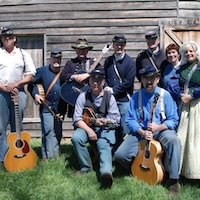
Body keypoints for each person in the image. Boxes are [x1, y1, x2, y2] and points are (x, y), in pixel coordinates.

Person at [114, 65, 181, 197]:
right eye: (145, 78)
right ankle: (138, 169)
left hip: (160, 130)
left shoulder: (165, 95)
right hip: (142, 132)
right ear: (142, 80)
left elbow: (173, 119)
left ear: (157, 79)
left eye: (151, 78)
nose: (148, 81)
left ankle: (173, 181)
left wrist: (158, 127)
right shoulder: (135, 97)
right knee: (120, 155)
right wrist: (142, 132)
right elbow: (130, 119)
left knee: (173, 141)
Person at [71, 69, 120, 189]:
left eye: (98, 80)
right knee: (76, 138)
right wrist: (89, 130)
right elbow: (77, 119)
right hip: (87, 127)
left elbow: (116, 120)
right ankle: (86, 167)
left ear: (103, 82)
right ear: (89, 81)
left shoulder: (109, 97)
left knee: (103, 145)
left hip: (104, 128)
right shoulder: (83, 96)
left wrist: (105, 121)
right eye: (93, 80)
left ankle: (106, 174)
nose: (95, 83)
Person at [0, 27, 36, 165]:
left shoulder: (23, 54)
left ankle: (17, 155)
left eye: (10, 36)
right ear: (1, 39)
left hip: (18, 92)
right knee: (1, 126)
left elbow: (31, 74)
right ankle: (3, 158)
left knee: (17, 126)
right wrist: (4, 87)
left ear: (14, 38)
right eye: (4, 37)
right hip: (1, 93)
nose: (7, 39)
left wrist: (16, 83)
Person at [28, 48, 65, 161]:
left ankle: (55, 154)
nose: (56, 60)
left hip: (60, 107)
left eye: (58, 58)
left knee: (58, 132)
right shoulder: (42, 71)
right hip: (47, 106)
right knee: (48, 131)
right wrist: (35, 95)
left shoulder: (64, 73)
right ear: (50, 58)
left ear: (61, 59)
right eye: (54, 58)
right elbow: (31, 84)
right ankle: (46, 156)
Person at [172, 41, 200, 180]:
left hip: (197, 104)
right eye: (186, 52)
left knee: (196, 137)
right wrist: (181, 96)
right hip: (184, 105)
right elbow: (174, 85)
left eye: (191, 51)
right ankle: (183, 171)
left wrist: (193, 95)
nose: (189, 54)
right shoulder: (181, 68)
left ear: (196, 52)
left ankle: (196, 172)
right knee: (183, 136)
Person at [104, 35, 136, 147]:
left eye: (122, 45)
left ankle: (124, 151)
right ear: (113, 45)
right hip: (110, 99)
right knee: (111, 125)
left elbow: (128, 82)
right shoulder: (108, 61)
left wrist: (113, 90)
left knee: (124, 127)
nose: (119, 47)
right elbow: (105, 77)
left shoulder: (130, 62)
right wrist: (107, 88)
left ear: (125, 46)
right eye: (117, 44)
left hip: (124, 99)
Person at [60, 38, 103, 117]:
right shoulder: (70, 63)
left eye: (84, 49)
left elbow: (102, 73)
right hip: (75, 99)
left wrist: (89, 75)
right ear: (76, 50)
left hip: (90, 99)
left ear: (87, 50)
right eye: (79, 49)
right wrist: (74, 77)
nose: (81, 51)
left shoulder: (93, 63)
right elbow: (63, 76)